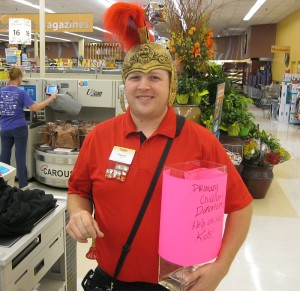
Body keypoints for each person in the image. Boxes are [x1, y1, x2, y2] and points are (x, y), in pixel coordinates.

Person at [66, 3, 253, 291]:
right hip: (111, 279)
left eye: (155, 77)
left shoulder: (200, 141)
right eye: (135, 77)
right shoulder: (99, 137)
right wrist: (78, 212)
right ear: (124, 83)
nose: (144, 86)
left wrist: (222, 266)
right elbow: (79, 191)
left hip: (175, 283)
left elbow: (241, 206)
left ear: (170, 85)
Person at [0, 67, 56, 189]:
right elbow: (35, 108)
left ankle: (3, 185)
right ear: (19, 78)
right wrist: (50, 99)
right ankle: (23, 185)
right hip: (19, 127)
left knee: (4, 156)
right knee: (20, 157)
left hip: (4, 128)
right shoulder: (21, 92)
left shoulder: (1, 91)